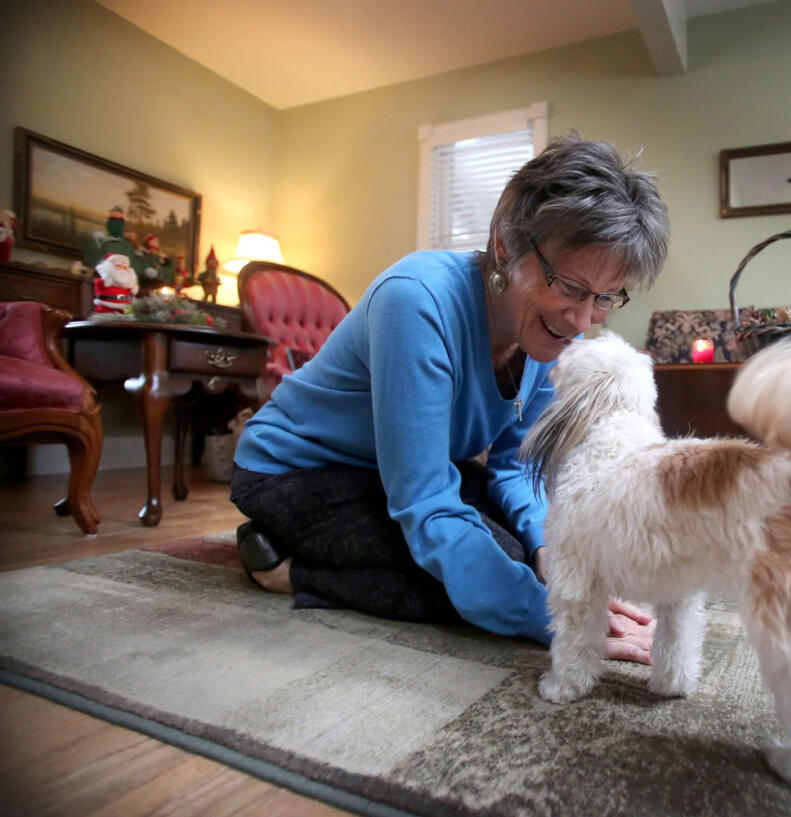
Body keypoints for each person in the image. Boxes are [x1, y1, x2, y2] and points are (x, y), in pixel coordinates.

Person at [230, 134, 670, 664]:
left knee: (519, 555)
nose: (582, 322)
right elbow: (425, 500)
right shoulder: (415, 301)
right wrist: (556, 617)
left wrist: (551, 555)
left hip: (400, 472)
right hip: (298, 471)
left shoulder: (544, 333)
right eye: (571, 287)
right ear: (506, 244)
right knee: (471, 577)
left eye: (605, 299)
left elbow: (513, 468)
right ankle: (286, 570)